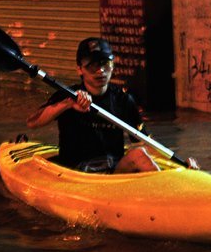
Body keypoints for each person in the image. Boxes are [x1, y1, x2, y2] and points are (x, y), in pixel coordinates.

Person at [27, 37, 172, 173]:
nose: (100, 71)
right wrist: (68, 104)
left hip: (114, 169)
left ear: (113, 65)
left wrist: (181, 166)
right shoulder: (68, 95)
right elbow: (33, 122)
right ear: (80, 69)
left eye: (105, 64)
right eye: (92, 65)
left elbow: (145, 142)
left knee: (139, 154)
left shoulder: (123, 99)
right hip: (77, 171)